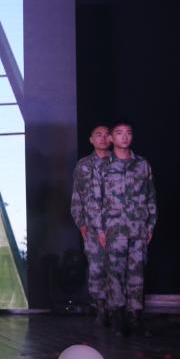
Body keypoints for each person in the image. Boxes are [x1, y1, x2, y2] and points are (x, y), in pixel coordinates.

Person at [99, 121, 157, 336]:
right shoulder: (103, 166)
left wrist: (150, 224)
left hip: (138, 228)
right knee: (115, 273)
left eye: (128, 133)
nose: (124, 137)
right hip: (114, 229)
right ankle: (117, 317)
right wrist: (99, 229)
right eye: (119, 133)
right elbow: (96, 200)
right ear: (111, 138)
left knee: (137, 274)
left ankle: (135, 317)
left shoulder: (142, 164)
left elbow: (151, 195)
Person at [70, 123, 112, 326]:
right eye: (98, 135)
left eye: (106, 134)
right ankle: (101, 308)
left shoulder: (119, 163)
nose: (103, 138)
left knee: (119, 269)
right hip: (93, 227)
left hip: (118, 227)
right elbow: (77, 196)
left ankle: (119, 310)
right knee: (97, 268)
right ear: (91, 139)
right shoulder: (83, 165)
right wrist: (81, 223)